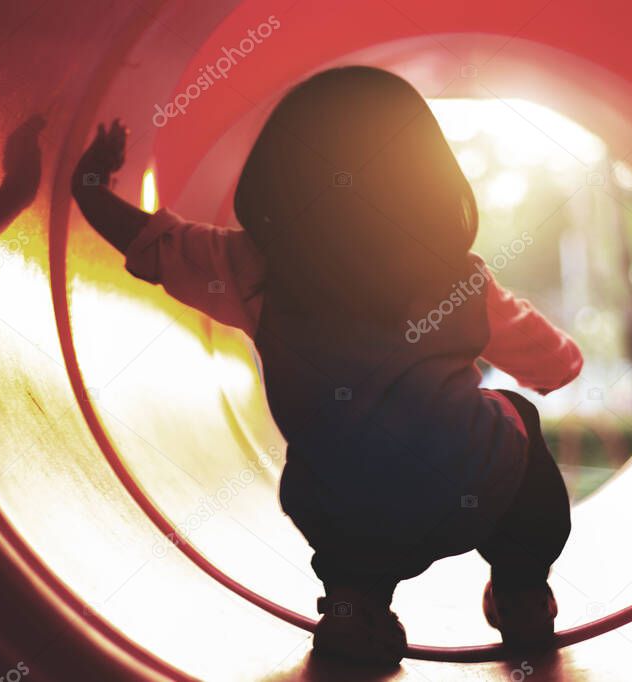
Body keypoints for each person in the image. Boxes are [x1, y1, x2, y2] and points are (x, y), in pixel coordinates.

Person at [72, 66, 582, 666]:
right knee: (516, 416)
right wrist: (558, 367)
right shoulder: (458, 279)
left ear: (278, 179)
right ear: (429, 183)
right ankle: (522, 594)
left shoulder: (253, 269)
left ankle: (354, 609)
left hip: (343, 509)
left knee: (345, 500)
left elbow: (157, 244)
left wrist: (88, 188)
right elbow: (548, 357)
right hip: (466, 481)